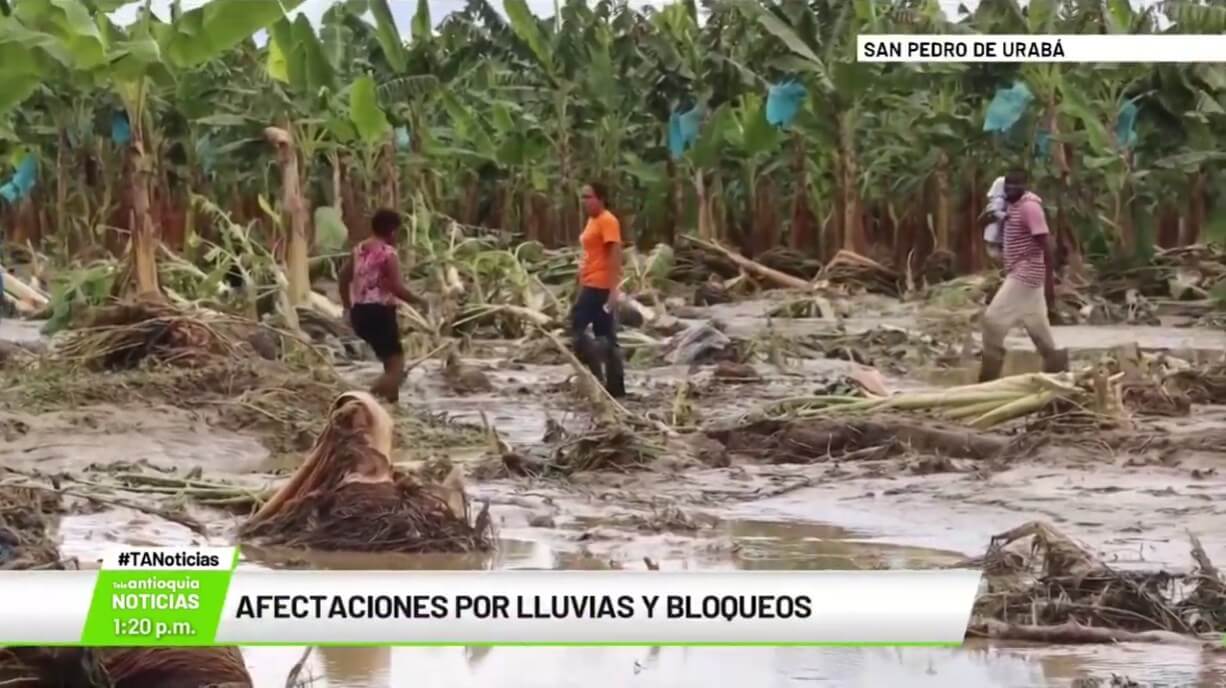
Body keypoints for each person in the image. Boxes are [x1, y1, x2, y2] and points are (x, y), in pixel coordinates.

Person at [978, 169, 1068, 382]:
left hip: (1026, 272)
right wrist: (989, 216)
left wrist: (1049, 282)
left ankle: (988, 378)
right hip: (1022, 272)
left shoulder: (1029, 207)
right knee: (1039, 330)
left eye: (1016, 186)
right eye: (1007, 186)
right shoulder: (1009, 206)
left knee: (992, 320)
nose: (1011, 190)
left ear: (1025, 186)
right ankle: (1060, 372)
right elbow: (983, 223)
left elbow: (1044, 243)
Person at [338, 208, 427, 404]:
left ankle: (391, 407)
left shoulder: (359, 249)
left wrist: (347, 307)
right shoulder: (388, 253)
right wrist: (420, 301)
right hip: (380, 313)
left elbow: (343, 279)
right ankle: (362, 402)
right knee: (397, 368)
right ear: (393, 231)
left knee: (389, 364)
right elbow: (397, 287)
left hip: (360, 313)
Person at [571, 182, 626, 398]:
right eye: (582, 197)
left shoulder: (608, 220)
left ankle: (597, 377)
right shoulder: (592, 220)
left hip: (600, 286)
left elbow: (615, 254)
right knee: (606, 336)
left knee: (576, 328)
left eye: (588, 197)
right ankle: (614, 389)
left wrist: (614, 289)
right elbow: (590, 254)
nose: (584, 201)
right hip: (590, 282)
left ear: (600, 198)